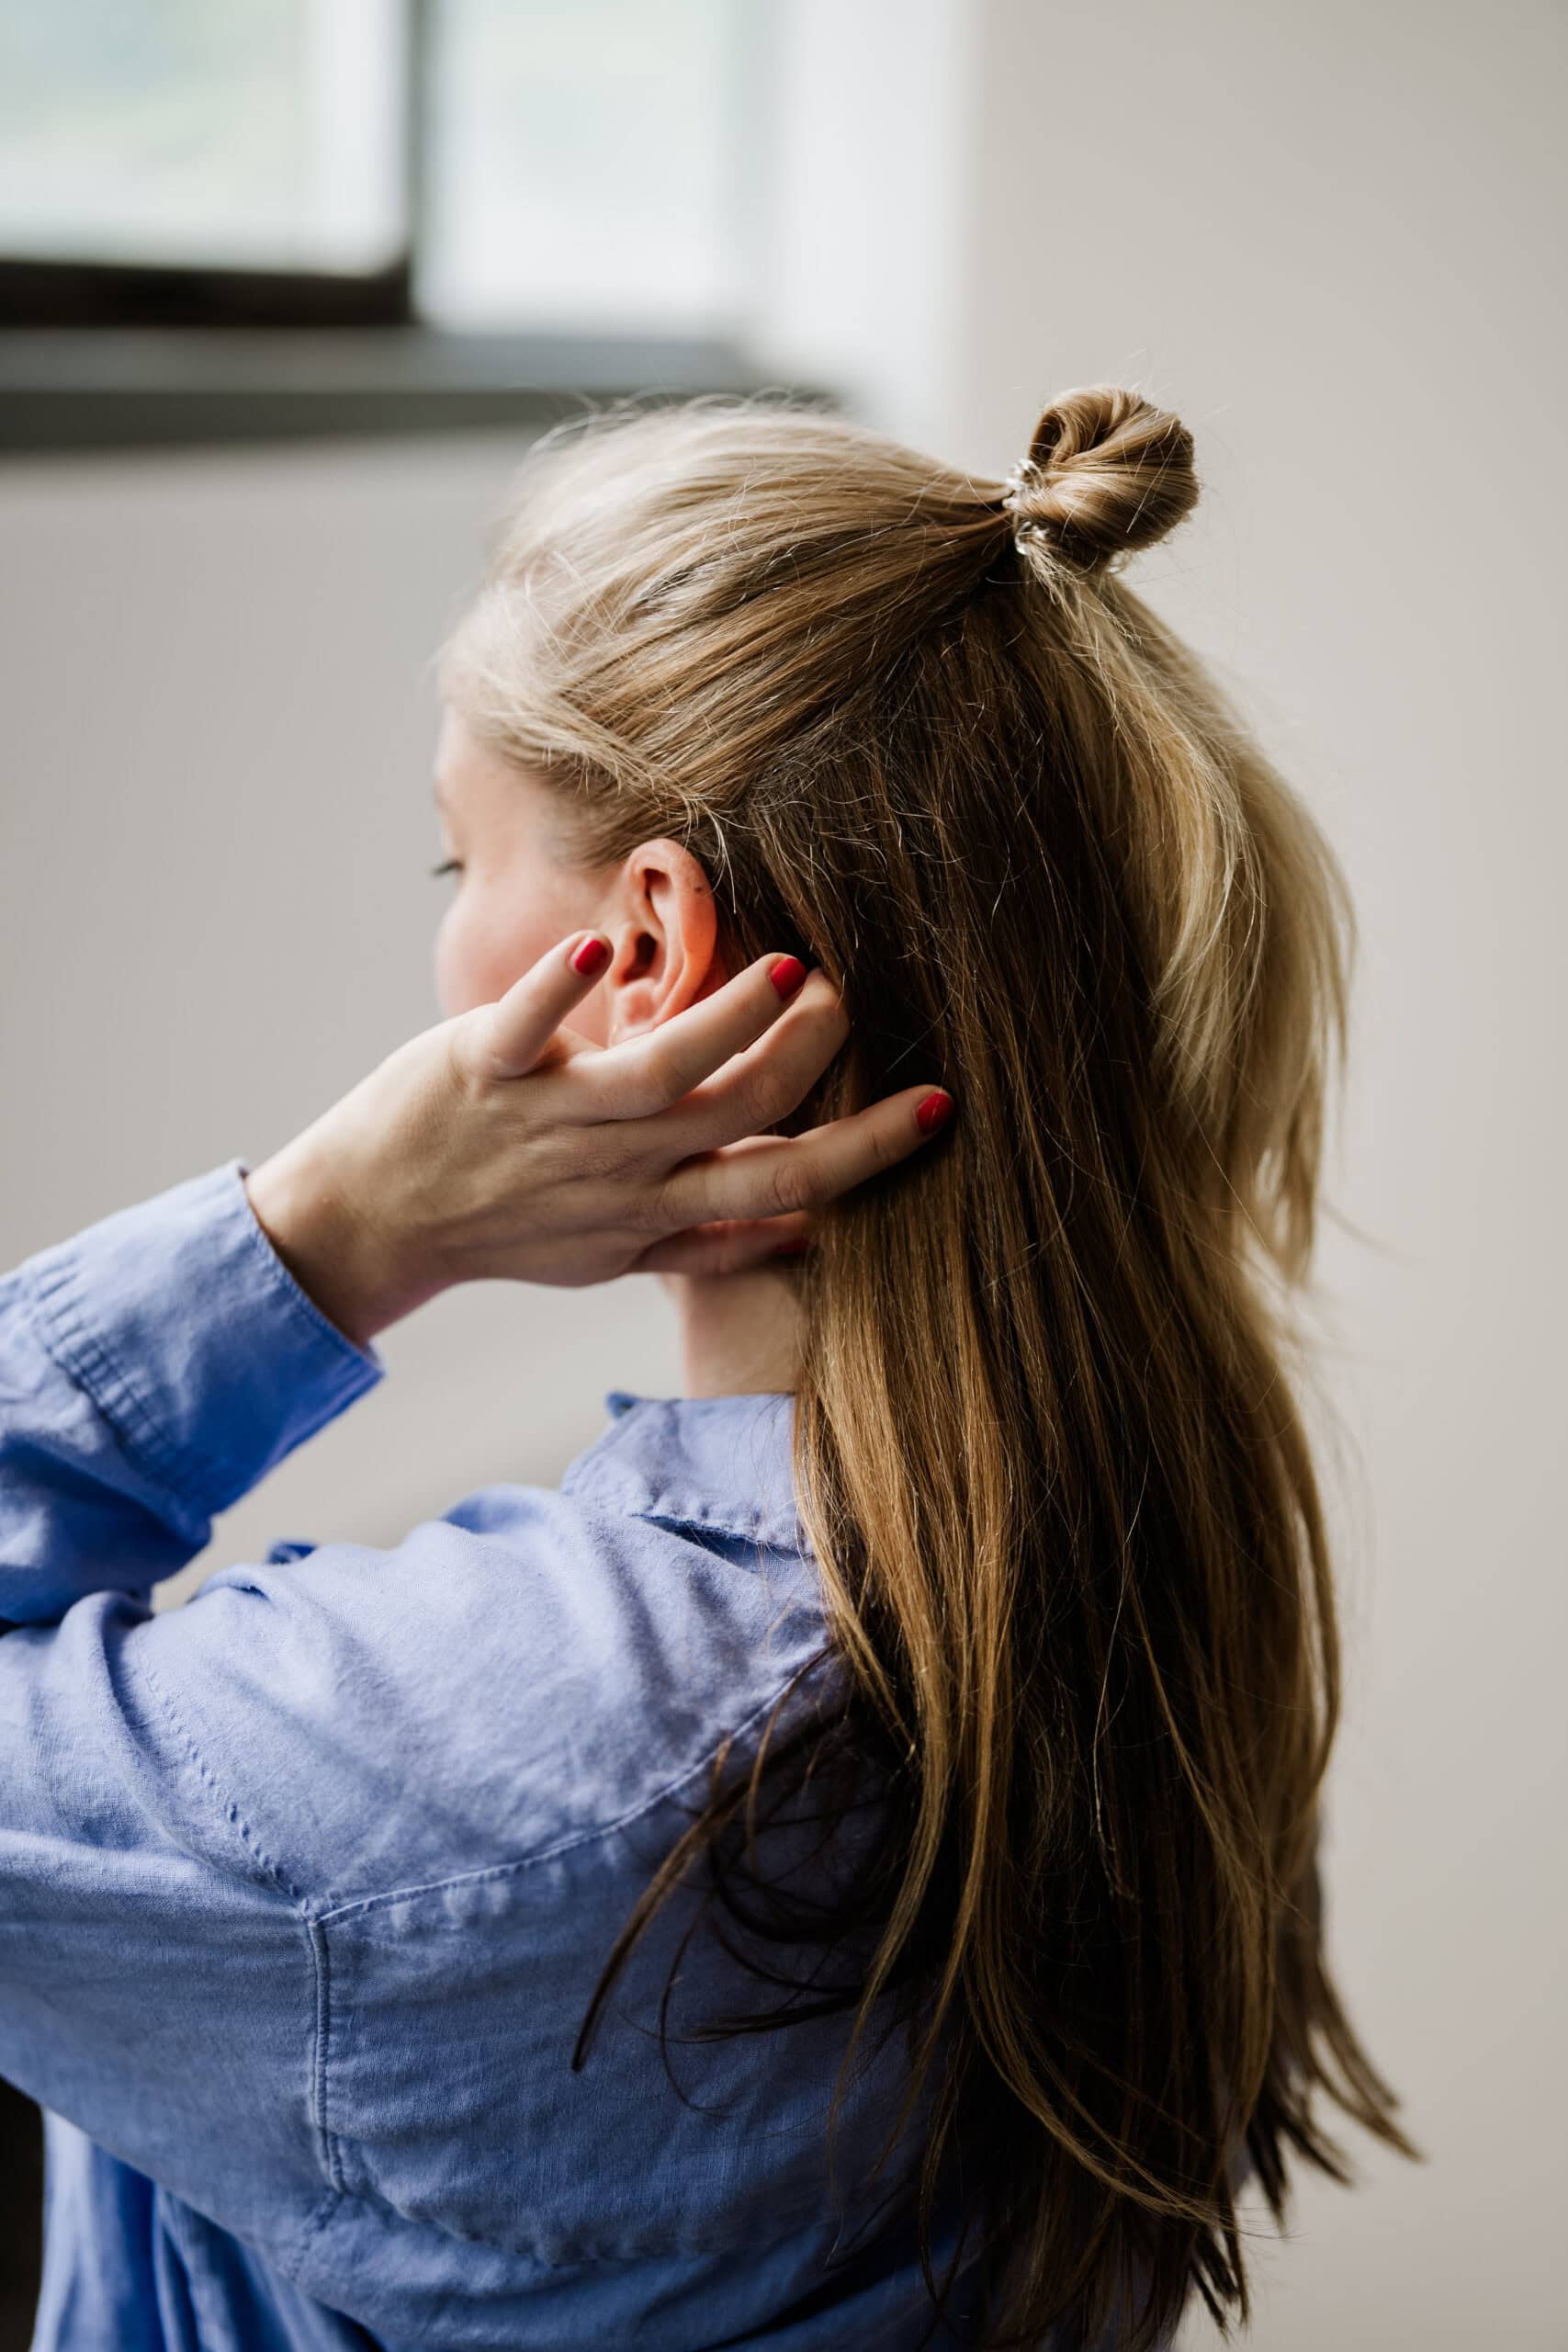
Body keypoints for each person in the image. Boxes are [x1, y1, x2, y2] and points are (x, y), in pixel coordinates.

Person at [0, 385, 1420, 2352]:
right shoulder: (1140, 1592)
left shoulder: (458, 1771)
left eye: (456, 869)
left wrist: (331, 1229)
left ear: (643, 950)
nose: (447, 938)